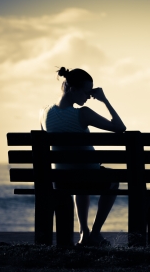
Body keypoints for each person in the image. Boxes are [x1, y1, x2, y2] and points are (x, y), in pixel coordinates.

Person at [40, 67, 126, 246]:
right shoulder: (83, 113)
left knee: (80, 181)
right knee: (113, 181)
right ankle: (94, 233)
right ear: (73, 89)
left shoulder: (44, 113)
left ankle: (83, 232)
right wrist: (104, 100)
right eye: (87, 92)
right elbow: (120, 127)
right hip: (87, 176)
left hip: (60, 180)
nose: (89, 97)